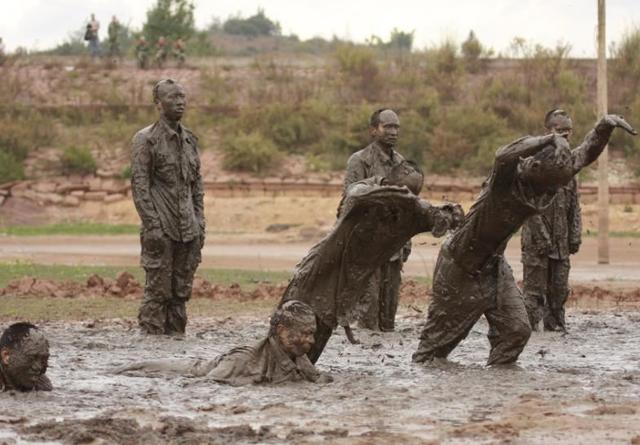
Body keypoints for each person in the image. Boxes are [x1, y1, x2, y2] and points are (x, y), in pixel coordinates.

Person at [413, 114, 636, 366]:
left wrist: (603, 127)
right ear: (535, 170)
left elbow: (583, 155)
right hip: (460, 265)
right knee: (433, 350)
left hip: (494, 265)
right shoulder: (505, 179)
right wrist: (550, 138)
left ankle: (496, 384)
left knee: (516, 331)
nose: (550, 191)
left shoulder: (550, 175)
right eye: (549, 186)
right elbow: (502, 154)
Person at [280, 160, 464, 363]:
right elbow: (355, 192)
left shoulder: (407, 214)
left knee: (309, 352)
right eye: (403, 192)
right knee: (284, 345)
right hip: (316, 276)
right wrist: (402, 197)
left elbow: (449, 219)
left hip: (341, 292)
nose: (406, 200)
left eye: (414, 194)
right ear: (388, 184)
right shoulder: (364, 195)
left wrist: (448, 210)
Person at [130, 79, 205, 335]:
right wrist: (154, 227)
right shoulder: (146, 139)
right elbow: (140, 187)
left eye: (183, 97)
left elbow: (196, 186)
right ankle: (150, 350)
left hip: (189, 230)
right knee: (157, 293)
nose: (180, 102)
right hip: (161, 229)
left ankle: (176, 347)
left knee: (181, 294)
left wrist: (200, 223)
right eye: (173, 97)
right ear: (158, 104)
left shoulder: (190, 141)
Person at [114, 301, 331, 386]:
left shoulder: (298, 356)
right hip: (190, 370)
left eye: (312, 334)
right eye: (305, 334)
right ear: (282, 332)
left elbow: (315, 378)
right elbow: (205, 384)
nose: (311, 341)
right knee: (138, 369)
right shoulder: (244, 358)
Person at [343, 108, 412, 332]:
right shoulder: (359, 160)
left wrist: (406, 241)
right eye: (387, 126)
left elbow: (407, 205)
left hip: (393, 249)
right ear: (374, 130)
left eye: (396, 127)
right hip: (366, 248)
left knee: (388, 319)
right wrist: (379, 182)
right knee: (367, 317)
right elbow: (350, 197)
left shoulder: (402, 163)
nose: (393, 132)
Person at [522, 109, 582, 332]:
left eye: (568, 133)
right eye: (560, 132)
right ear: (548, 132)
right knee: (534, 295)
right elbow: (529, 207)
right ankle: (526, 335)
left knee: (559, 292)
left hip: (561, 243)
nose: (565, 137)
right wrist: (542, 237)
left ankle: (556, 330)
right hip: (537, 245)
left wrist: (575, 235)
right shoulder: (534, 163)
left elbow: (574, 204)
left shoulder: (569, 166)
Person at [0, 323, 52, 392]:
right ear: (6, 356)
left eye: (43, 359)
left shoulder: (43, 384)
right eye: (31, 358)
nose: (38, 367)